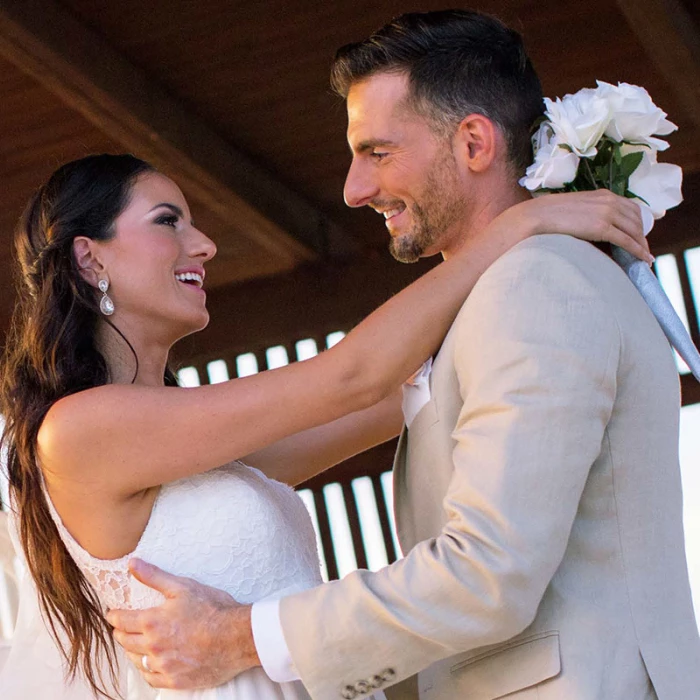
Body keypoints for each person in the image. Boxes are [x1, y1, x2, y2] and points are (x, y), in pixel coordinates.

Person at [108, 9, 700, 700]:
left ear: (475, 142)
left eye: (377, 153)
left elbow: (487, 575)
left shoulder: (535, 285)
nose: (355, 189)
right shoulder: (492, 297)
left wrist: (241, 636)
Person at [0, 146, 640, 700]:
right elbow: (351, 377)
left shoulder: (189, 440)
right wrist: (519, 226)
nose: (204, 245)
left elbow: (391, 397)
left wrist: (535, 278)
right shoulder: (82, 430)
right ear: (90, 258)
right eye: (168, 222)